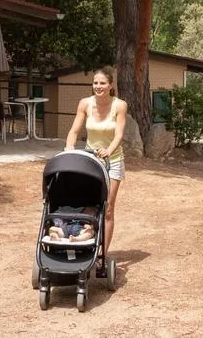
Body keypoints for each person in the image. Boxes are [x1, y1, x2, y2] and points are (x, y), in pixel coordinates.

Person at [64, 67, 126, 277]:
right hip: (91, 159)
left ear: (110, 86)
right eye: (95, 83)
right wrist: (69, 148)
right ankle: (84, 243)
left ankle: (103, 256)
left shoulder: (120, 106)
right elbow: (74, 130)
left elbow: (119, 134)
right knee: (89, 204)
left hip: (113, 160)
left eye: (102, 83)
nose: (98, 87)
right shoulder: (85, 104)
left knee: (107, 208)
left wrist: (108, 151)